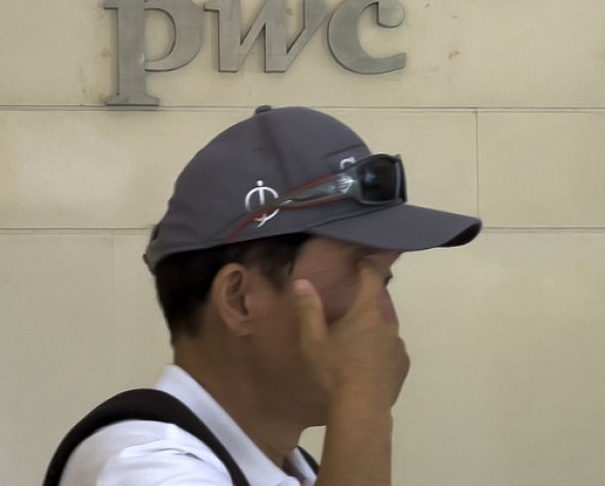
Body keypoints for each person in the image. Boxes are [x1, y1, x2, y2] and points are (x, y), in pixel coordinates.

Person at [45, 105, 482, 485]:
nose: (384, 318)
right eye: (361, 277)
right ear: (238, 299)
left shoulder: (297, 472)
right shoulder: (140, 467)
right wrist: (362, 402)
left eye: (384, 284)